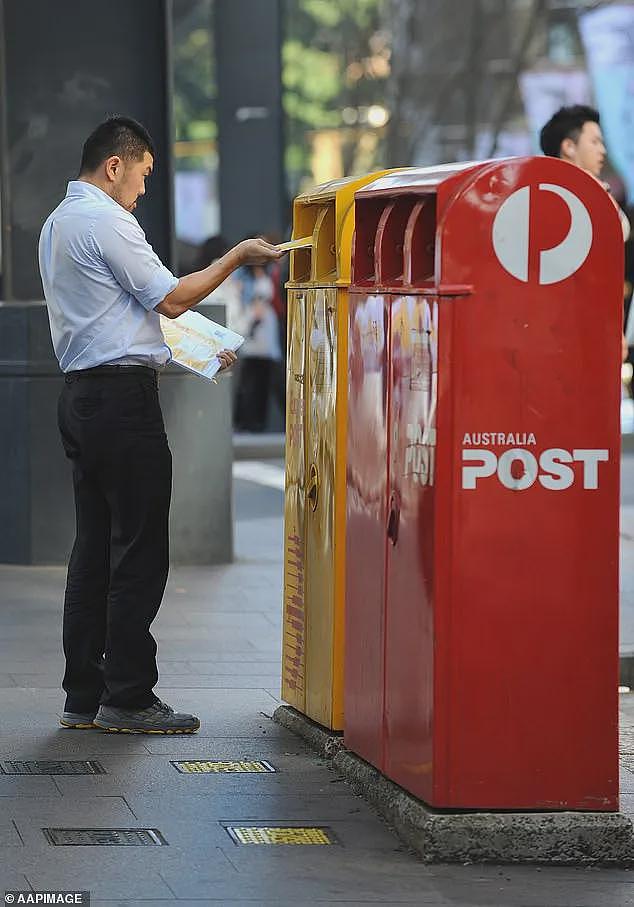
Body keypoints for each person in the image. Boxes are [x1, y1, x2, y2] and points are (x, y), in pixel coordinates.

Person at [38, 116, 284, 734]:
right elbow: (170, 298)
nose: (144, 190)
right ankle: (129, 695)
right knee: (140, 549)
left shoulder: (57, 224)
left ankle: (82, 696)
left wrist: (193, 350)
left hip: (82, 399)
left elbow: (116, 321)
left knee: (93, 548)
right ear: (114, 165)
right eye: (143, 174)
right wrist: (238, 254)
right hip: (123, 407)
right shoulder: (106, 220)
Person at [540, 105, 630, 361]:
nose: (602, 150)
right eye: (595, 142)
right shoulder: (570, 199)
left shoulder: (595, 193)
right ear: (569, 147)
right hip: (577, 335)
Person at [233, 252, 283, 432]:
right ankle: (250, 421)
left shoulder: (268, 275)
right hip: (255, 328)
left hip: (261, 330)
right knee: (252, 381)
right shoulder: (247, 278)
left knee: (258, 380)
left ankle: (255, 421)